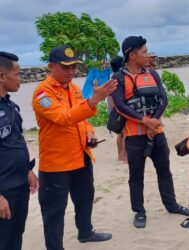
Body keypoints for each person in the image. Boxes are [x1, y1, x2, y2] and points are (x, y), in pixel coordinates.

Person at [32, 45, 116, 250]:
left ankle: (85, 232)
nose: (71, 72)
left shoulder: (74, 89)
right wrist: (94, 100)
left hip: (80, 156)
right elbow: (63, 118)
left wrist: (89, 131)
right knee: (54, 211)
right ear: (51, 66)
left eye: (74, 67)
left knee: (85, 197)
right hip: (57, 163)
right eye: (66, 67)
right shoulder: (43, 93)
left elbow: (81, 119)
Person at [111, 36, 189, 228]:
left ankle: (171, 204)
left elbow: (163, 99)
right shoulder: (119, 78)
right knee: (136, 174)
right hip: (134, 136)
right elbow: (120, 105)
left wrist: (154, 122)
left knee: (164, 169)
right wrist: (144, 121)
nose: (148, 55)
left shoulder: (152, 73)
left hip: (157, 133)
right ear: (132, 54)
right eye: (144, 52)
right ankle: (139, 211)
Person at [0, 51, 39, 250]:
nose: (20, 79)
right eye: (17, 74)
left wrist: (27, 169)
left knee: (16, 236)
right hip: (3, 190)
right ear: (1, 76)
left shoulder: (11, 106)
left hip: (19, 185)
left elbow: (16, 140)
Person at [109, 56, 128, 163]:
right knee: (126, 133)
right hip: (120, 109)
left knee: (120, 133)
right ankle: (125, 156)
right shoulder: (119, 78)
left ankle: (120, 155)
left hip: (114, 109)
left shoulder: (112, 77)